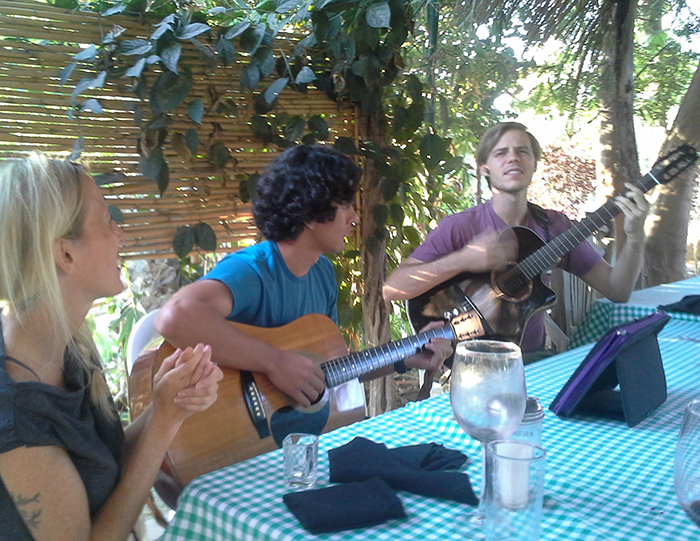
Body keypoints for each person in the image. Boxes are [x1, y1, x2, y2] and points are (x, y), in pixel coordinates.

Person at [0, 154, 223, 541]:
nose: (121, 235)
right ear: (65, 254)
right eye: (107, 222)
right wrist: (164, 423)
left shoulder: (68, 344)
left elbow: (102, 459)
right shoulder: (15, 419)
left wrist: (166, 405)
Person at [155, 144, 452, 408]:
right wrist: (274, 362)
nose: (354, 218)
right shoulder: (252, 270)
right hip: (229, 433)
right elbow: (175, 316)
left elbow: (328, 369)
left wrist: (404, 358)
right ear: (311, 212)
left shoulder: (322, 272)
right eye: (345, 206)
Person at [383, 121, 650, 358]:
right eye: (501, 153)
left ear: (534, 164)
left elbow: (617, 291)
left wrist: (636, 236)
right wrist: (465, 259)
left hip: (531, 362)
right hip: (468, 362)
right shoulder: (460, 226)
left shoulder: (555, 227)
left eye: (523, 151)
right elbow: (392, 289)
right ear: (485, 168)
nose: (513, 158)